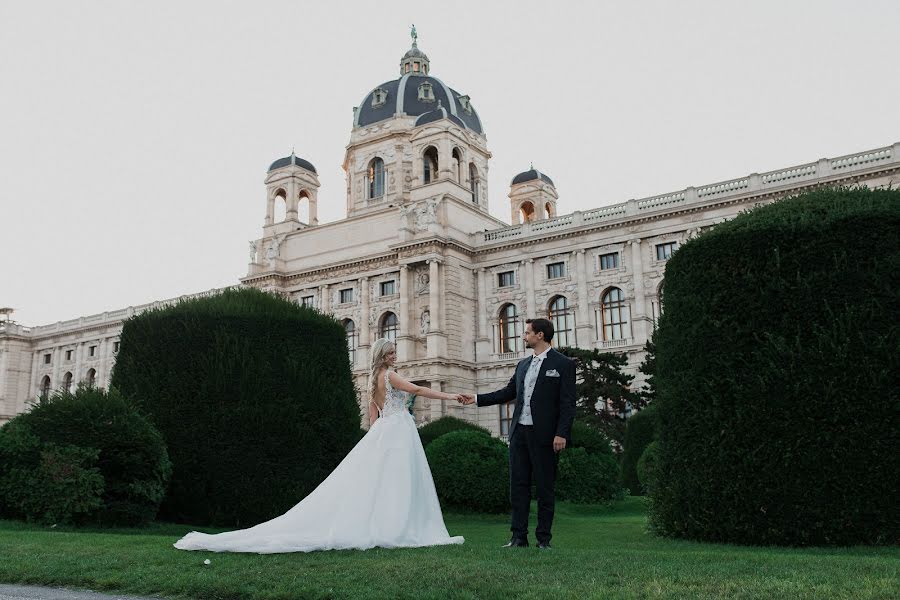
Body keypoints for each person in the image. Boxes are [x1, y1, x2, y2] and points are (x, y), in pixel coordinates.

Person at [174, 338, 466, 553]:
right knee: (398, 481)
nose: (393, 356)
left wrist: (374, 440)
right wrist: (451, 397)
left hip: (385, 432)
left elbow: (374, 416)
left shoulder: (371, 380)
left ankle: (390, 524)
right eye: (390, 353)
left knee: (382, 482)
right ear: (382, 356)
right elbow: (414, 390)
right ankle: (398, 526)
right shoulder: (389, 375)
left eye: (393, 352)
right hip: (399, 430)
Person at [460, 318, 576, 549]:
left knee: (545, 489)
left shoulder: (563, 364)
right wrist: (476, 398)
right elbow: (508, 392)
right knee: (518, 487)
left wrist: (561, 433)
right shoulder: (522, 364)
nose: (523, 336)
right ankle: (518, 538)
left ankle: (543, 540)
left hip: (545, 436)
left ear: (540, 335)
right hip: (519, 434)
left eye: (527, 333)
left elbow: (568, 403)